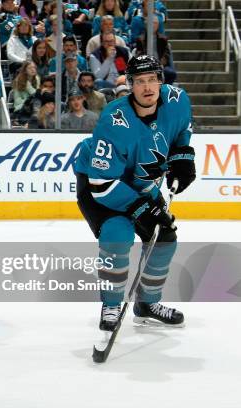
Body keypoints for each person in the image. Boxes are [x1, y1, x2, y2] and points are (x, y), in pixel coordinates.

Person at [72, 55, 195, 335]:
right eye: (140, 81)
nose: (148, 87)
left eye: (153, 79)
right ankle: (111, 304)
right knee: (117, 236)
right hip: (102, 186)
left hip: (143, 184)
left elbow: (182, 131)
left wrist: (183, 158)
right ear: (130, 85)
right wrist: (141, 210)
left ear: (161, 81)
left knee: (164, 237)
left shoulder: (177, 100)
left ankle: (147, 305)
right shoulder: (113, 120)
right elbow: (101, 184)